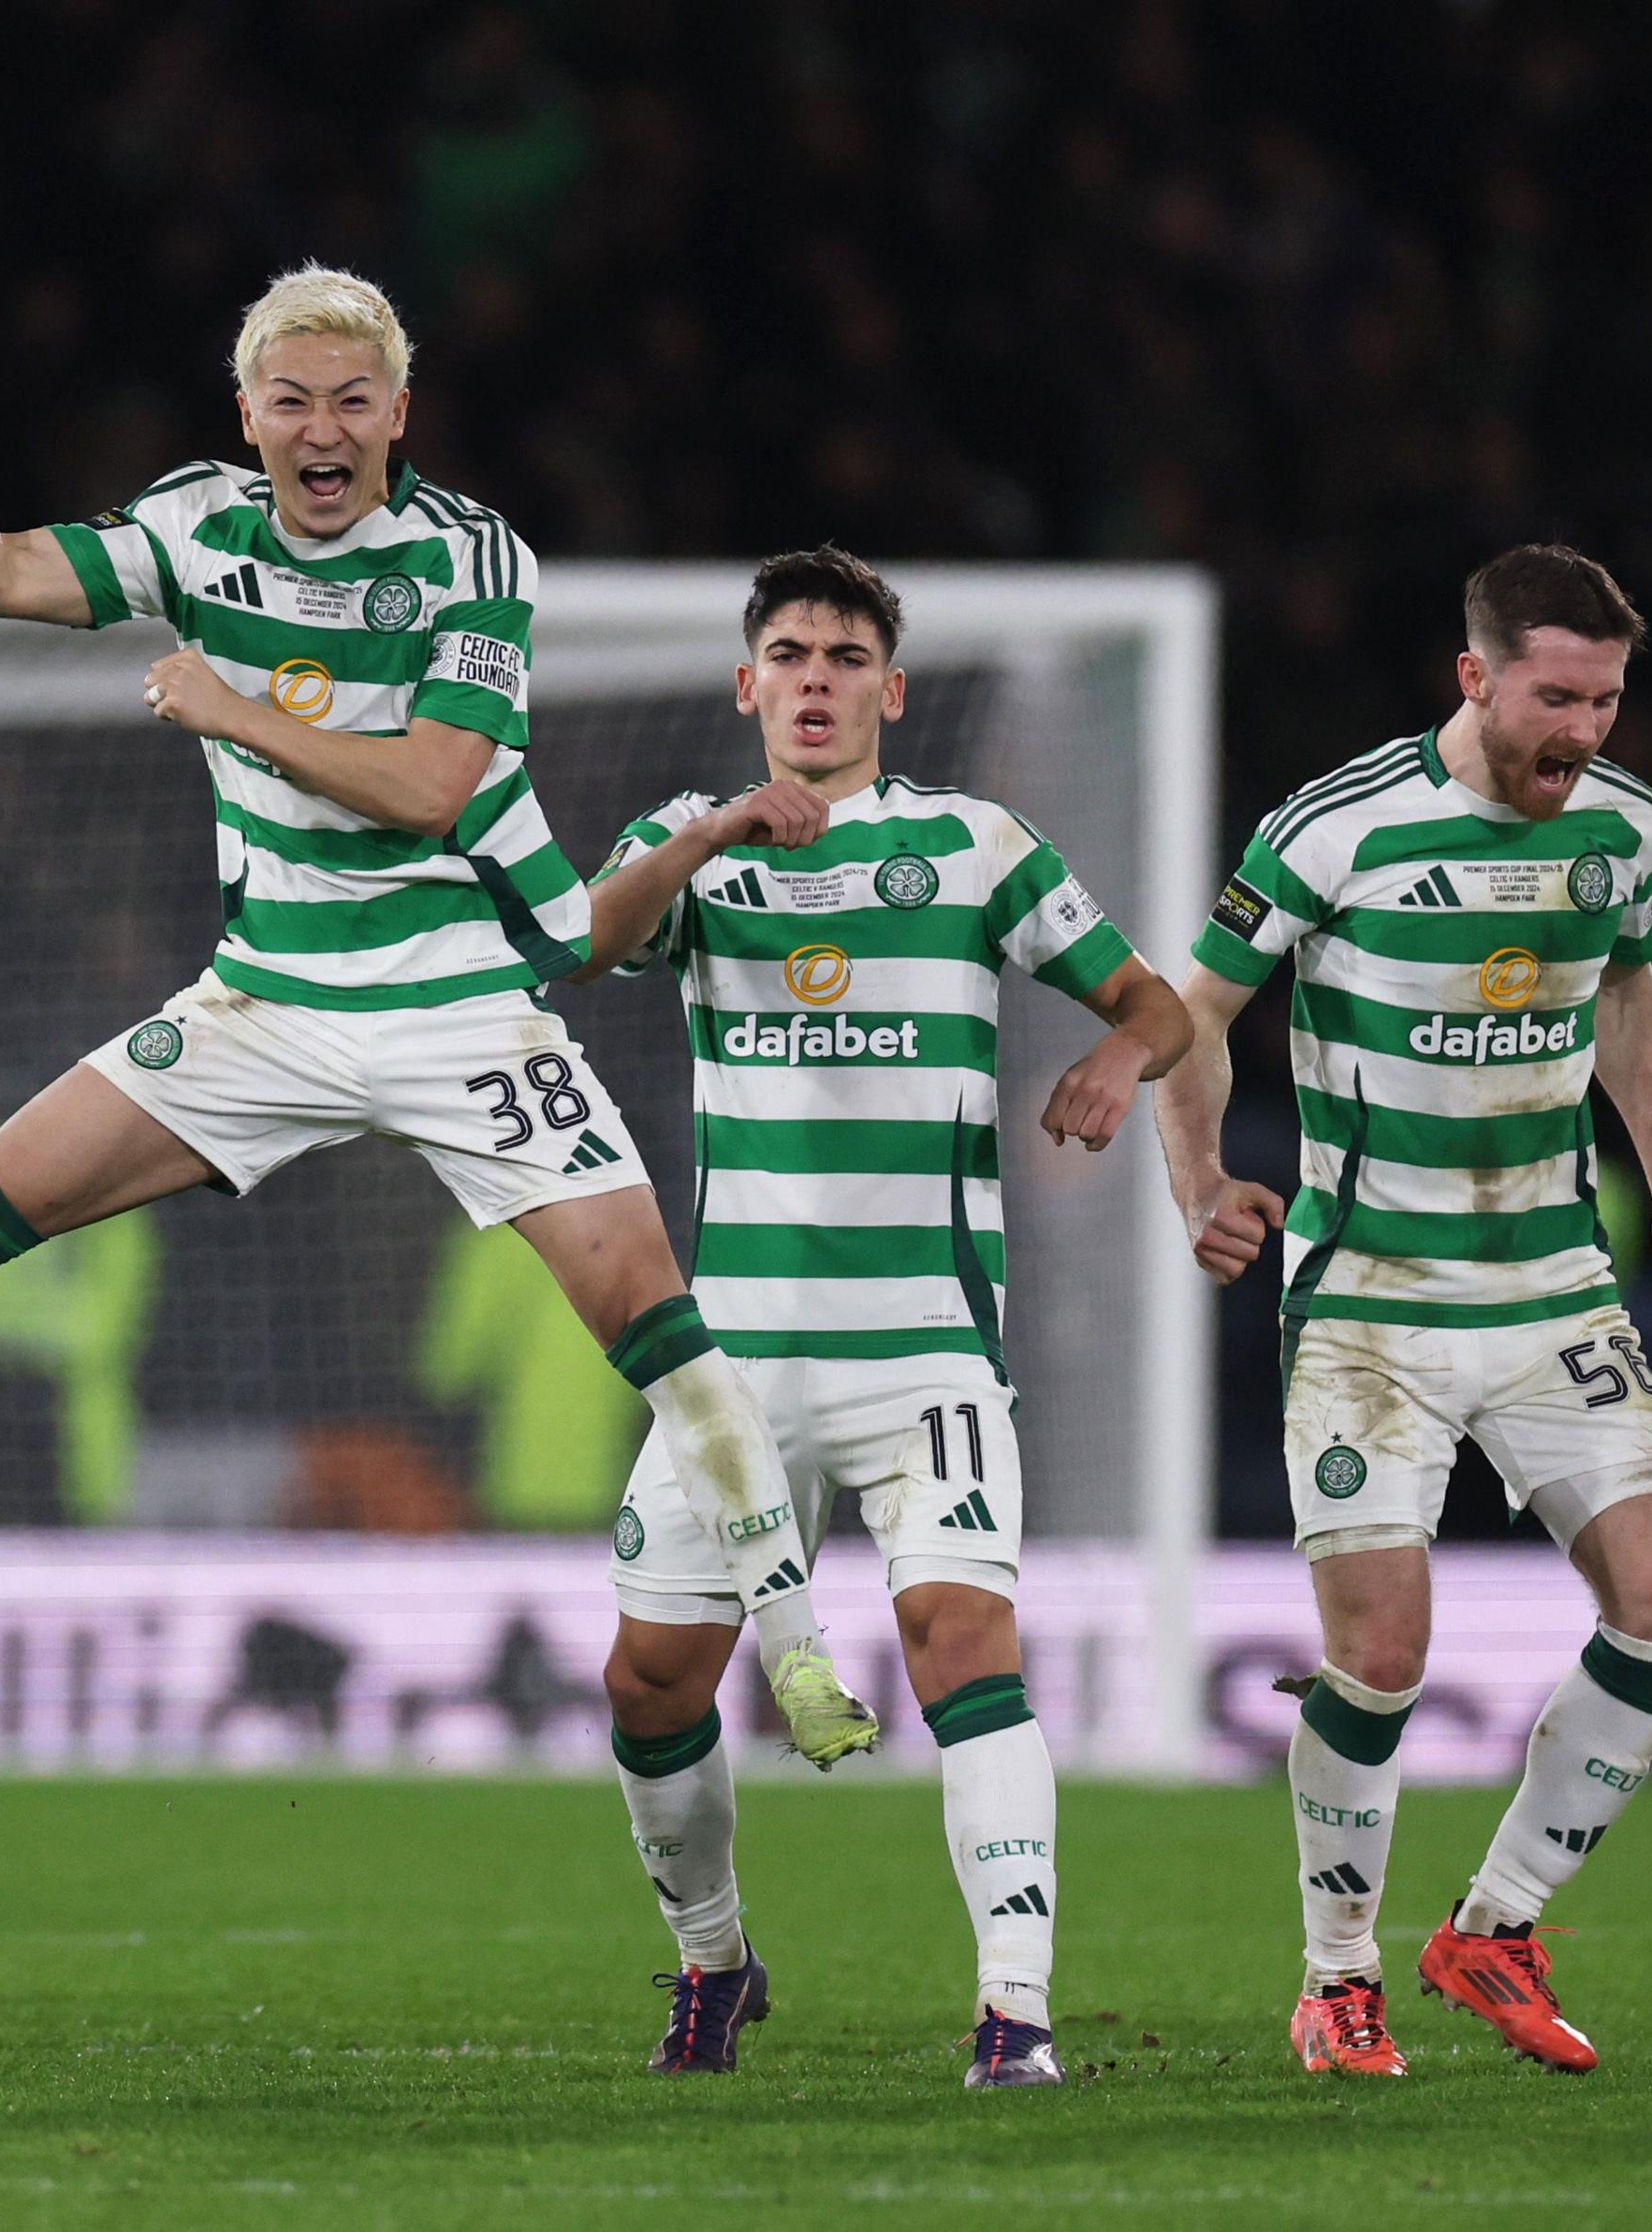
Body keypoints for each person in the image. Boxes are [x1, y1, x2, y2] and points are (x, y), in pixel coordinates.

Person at [0, 265, 881, 1764]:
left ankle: (798, 1652)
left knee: (658, 1330)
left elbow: (427, 787)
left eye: (355, 400)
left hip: (456, 1003)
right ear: (249, 414)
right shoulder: (195, 525)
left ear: (400, 413)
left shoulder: (474, 557)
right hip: (263, 1002)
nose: (323, 428)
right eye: (293, 400)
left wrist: (231, 708)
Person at [571, 548, 1190, 2086]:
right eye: (789, 654)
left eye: (847, 657)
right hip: (734, 1373)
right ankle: (715, 1965)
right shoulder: (688, 848)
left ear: (891, 692)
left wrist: (1118, 1063)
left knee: (960, 1645)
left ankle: (1016, 2013)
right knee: (649, 1682)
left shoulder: (978, 850)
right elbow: (586, 936)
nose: (817, 680)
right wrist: (718, 829)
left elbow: (1158, 1005)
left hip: (925, 1351)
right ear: (747, 685)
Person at [1153, 545, 1652, 2078]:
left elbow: (1628, 994)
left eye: (1607, 700)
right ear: (1474, 679)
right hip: (1371, 1305)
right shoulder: (1333, 827)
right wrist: (1201, 1179)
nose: (1586, 731)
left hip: (1552, 1285)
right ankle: (1333, 1973)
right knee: (1385, 1652)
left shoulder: (1622, 828)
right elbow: (1192, 1015)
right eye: (1557, 696)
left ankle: (1495, 1925)